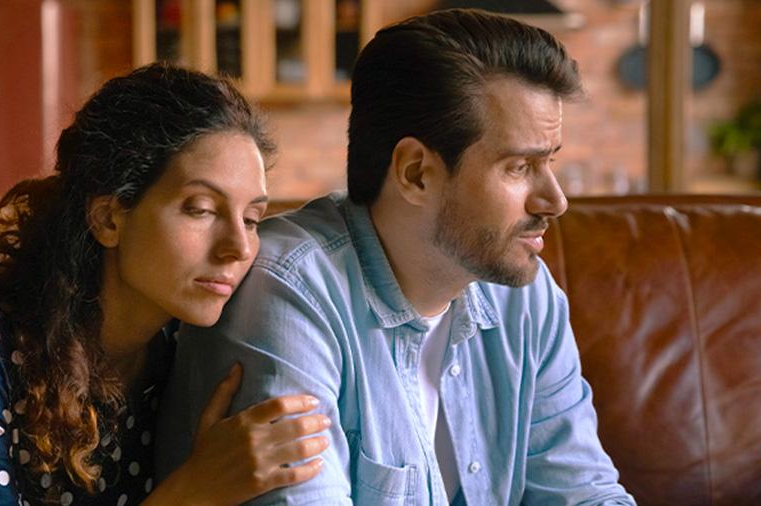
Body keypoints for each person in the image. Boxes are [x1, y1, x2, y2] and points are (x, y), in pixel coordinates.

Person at [156, 9, 636, 505]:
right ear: (415, 174)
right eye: (519, 167)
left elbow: (584, 492)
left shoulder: (525, 298)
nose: (554, 200)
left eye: (550, 161)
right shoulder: (288, 294)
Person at [0, 64, 331, 505]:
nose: (239, 246)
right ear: (108, 218)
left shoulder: (186, 350)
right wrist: (192, 492)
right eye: (201, 209)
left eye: (252, 218)